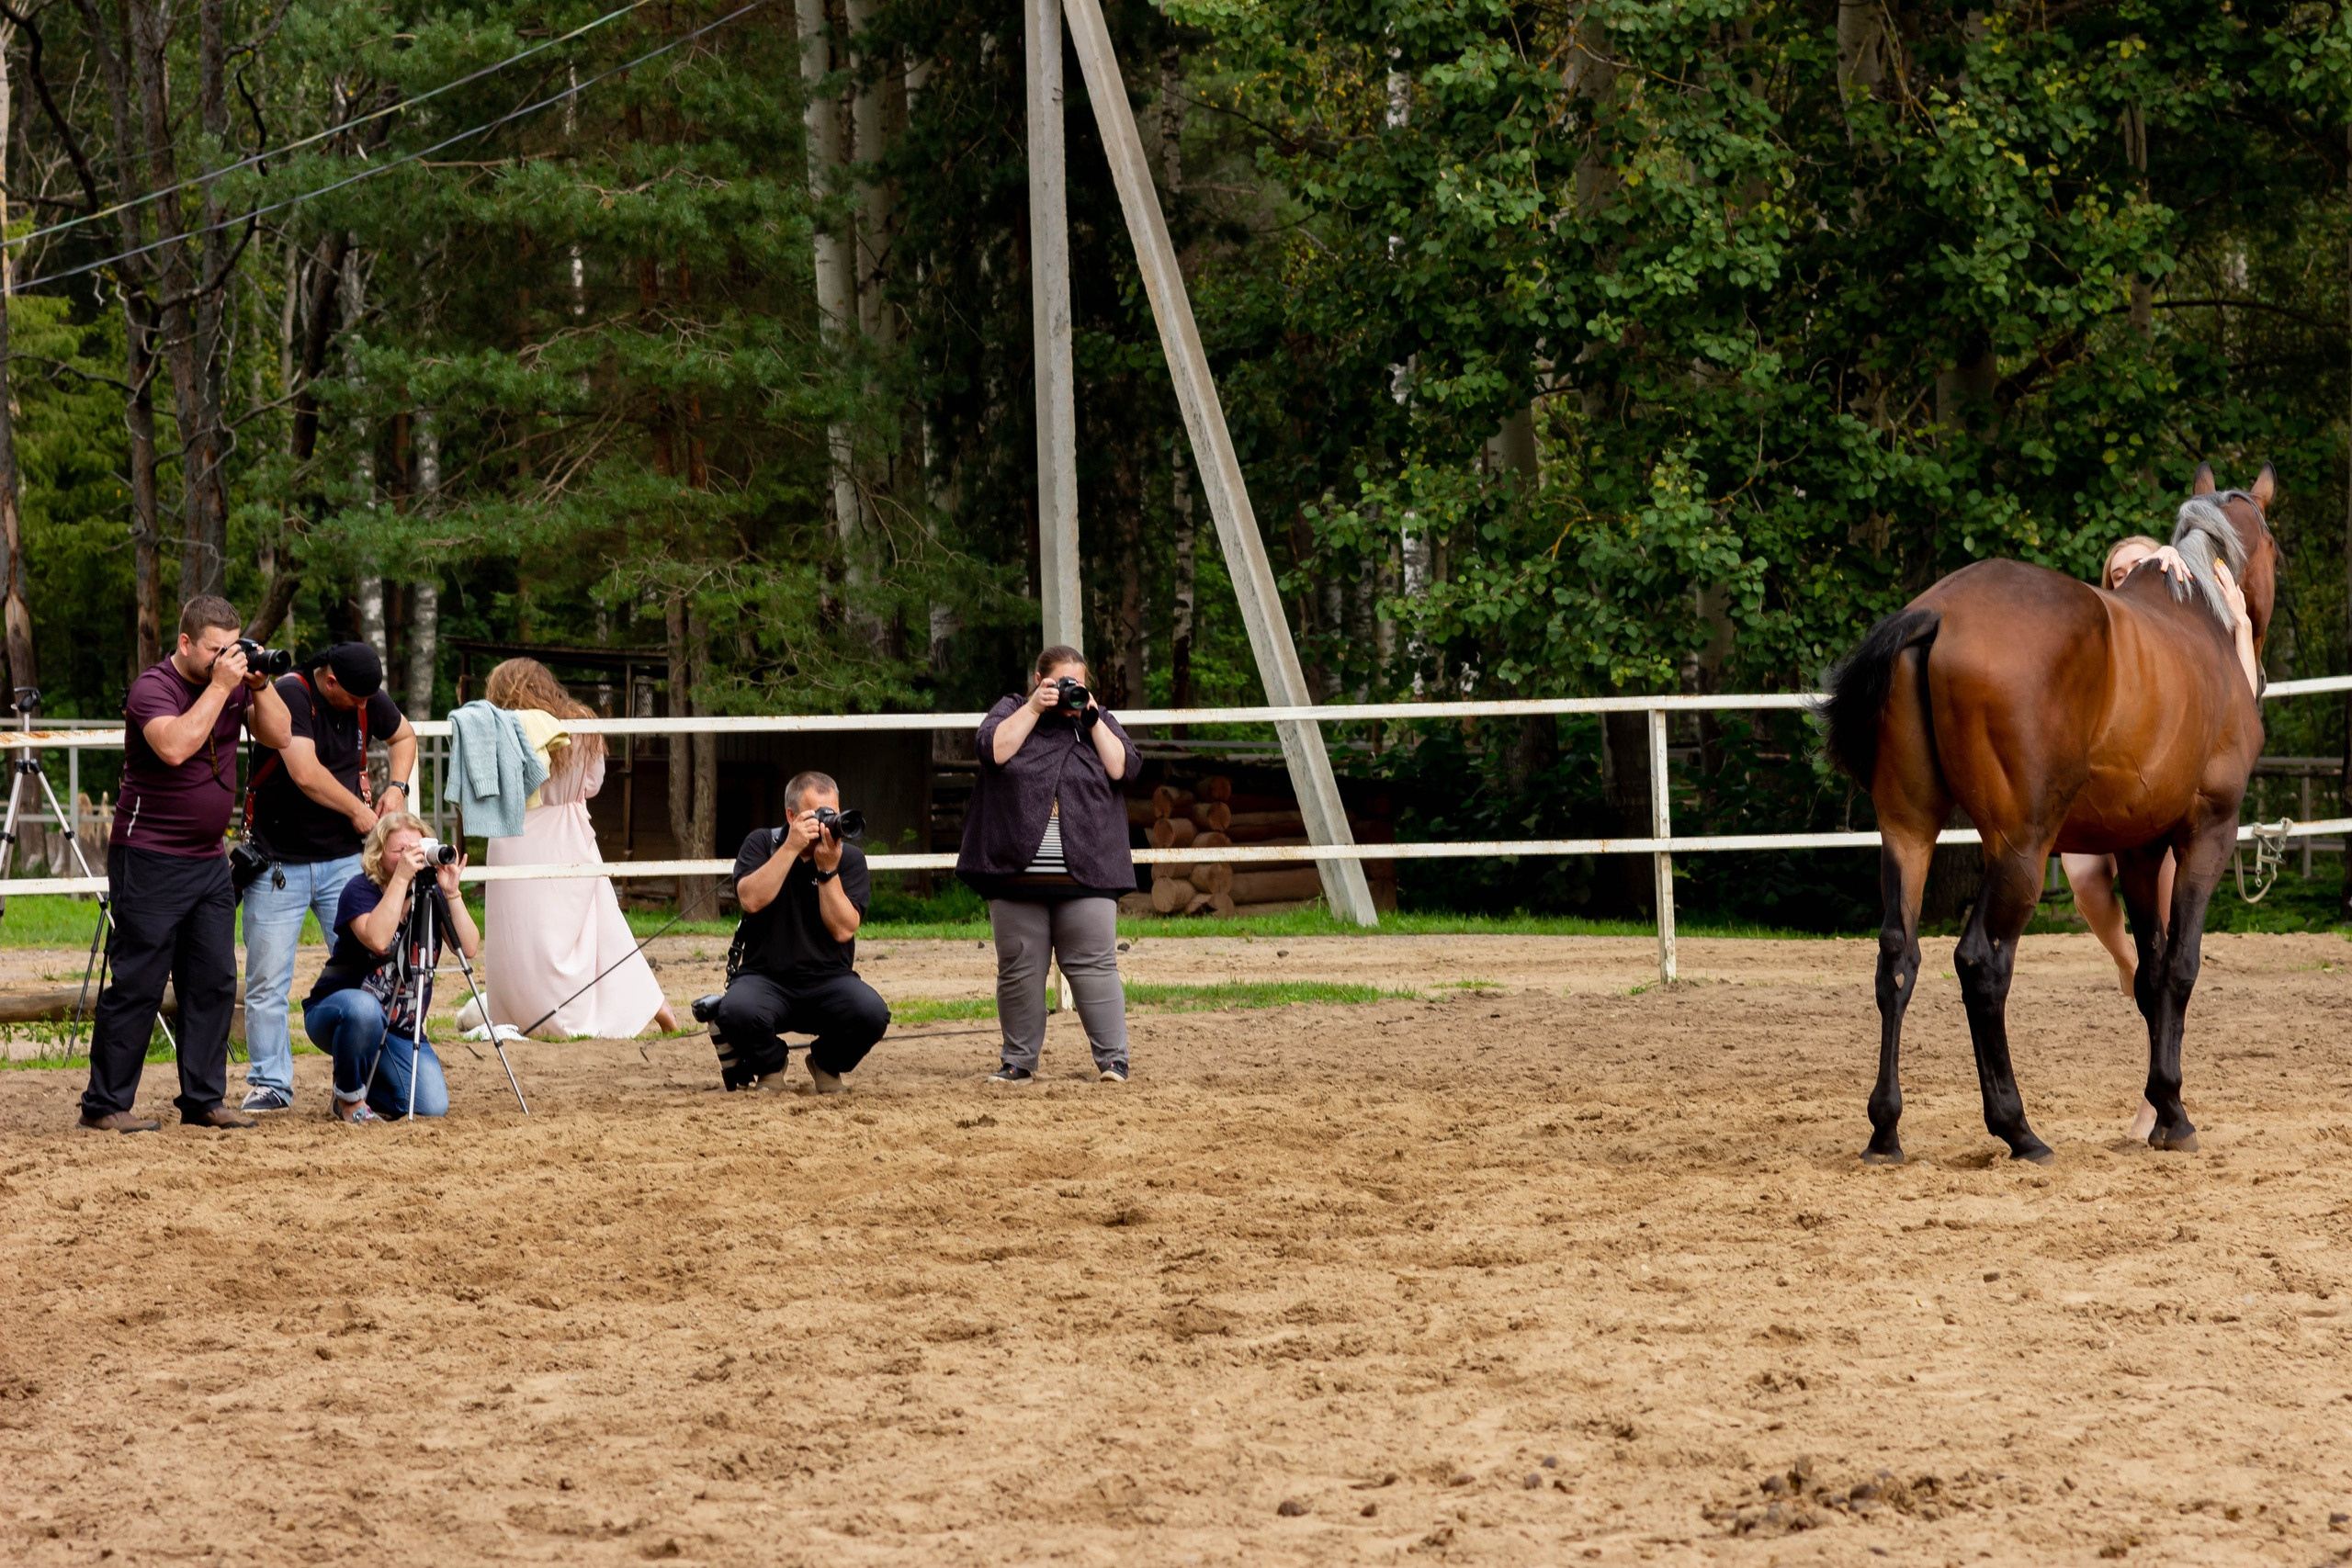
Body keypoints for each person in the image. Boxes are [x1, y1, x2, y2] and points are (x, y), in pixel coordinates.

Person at [2061, 534, 2264, 1139]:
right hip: (2103, 796)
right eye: (2117, 571)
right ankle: (2130, 965)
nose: (2127, 575)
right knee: (2086, 881)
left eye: (2139, 566)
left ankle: (2158, 1091)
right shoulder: (2100, 632)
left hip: (2165, 807)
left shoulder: (2194, 637)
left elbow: (2245, 698)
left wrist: (2236, 619)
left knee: (2174, 938)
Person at [79, 596, 292, 1133]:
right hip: (148, 855)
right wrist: (222, 688)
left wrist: (259, 683)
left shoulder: (236, 683)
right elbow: (174, 747)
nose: (227, 659)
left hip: (206, 860)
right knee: (138, 980)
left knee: (214, 981)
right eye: (216, 650)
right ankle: (105, 1105)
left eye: (233, 648)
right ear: (185, 644)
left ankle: (203, 1099)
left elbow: (281, 736)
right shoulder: (154, 688)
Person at [239, 642, 417, 1111]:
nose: (366, 708)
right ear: (330, 680)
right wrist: (361, 812)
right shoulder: (292, 695)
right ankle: (271, 1083)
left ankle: (359, 1085)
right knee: (268, 978)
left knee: (371, 966)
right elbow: (304, 771)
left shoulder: (363, 694)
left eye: (369, 700)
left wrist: (397, 789)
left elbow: (405, 737)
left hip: (345, 862)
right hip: (279, 860)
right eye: (357, 700)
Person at [956, 646, 1137, 1086]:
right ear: (1039, 680)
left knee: (1096, 967)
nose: (1070, 692)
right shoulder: (1013, 710)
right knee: (1019, 969)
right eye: (1061, 683)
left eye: (1079, 684)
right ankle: (1018, 1062)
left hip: (1088, 874)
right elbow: (992, 750)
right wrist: (1035, 708)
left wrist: (1092, 718)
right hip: (1016, 875)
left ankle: (1114, 1061)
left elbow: (1124, 768)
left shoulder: (1096, 720)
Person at [479, 657, 676, 1036]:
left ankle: (528, 1011)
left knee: (522, 935)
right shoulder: (580, 724)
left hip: (513, 834)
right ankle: (655, 1005)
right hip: (567, 830)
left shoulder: (499, 729)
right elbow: (593, 785)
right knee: (599, 926)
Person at [708, 771, 890, 1094]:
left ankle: (826, 1063)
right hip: (765, 977)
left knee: (871, 1013)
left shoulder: (849, 859)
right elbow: (750, 899)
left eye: (831, 815)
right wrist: (790, 848)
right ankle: (771, 1065)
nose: (826, 825)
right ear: (791, 816)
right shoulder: (762, 844)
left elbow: (843, 929)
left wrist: (827, 870)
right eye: (816, 815)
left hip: (829, 980)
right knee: (734, 1010)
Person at [302, 812, 478, 1122]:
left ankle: (358, 1083)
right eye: (399, 851)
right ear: (378, 855)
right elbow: (379, 941)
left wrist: (451, 892)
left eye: (416, 849)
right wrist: (400, 879)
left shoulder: (431, 895)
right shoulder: (360, 891)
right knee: (364, 1009)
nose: (410, 857)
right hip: (340, 1013)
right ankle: (349, 1100)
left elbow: (470, 947)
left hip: (400, 1030)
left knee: (431, 1106)